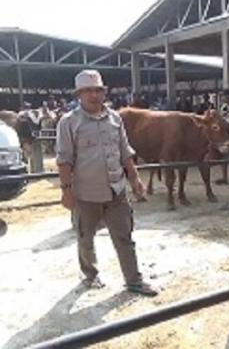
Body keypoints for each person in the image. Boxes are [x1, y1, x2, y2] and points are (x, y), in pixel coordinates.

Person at [55, 70, 158, 296]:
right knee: (86, 237)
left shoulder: (114, 118)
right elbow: (64, 160)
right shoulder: (69, 122)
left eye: (98, 90)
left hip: (116, 190)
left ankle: (134, 281)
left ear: (104, 92)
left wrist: (134, 178)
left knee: (124, 237)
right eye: (88, 91)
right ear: (79, 95)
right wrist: (66, 191)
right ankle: (90, 274)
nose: (94, 95)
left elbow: (124, 151)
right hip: (85, 193)